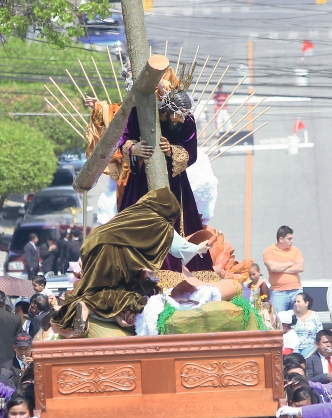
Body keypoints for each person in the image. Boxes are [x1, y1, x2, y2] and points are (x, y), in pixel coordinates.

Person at [51, 188, 209, 335]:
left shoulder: (132, 212)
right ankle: (87, 307)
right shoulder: (159, 223)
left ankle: (62, 309)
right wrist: (199, 248)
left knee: (90, 288)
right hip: (112, 254)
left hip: (92, 243)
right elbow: (180, 248)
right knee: (124, 295)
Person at [110, 71, 214, 273]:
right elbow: (124, 140)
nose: (183, 120)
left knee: (178, 223)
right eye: (179, 115)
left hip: (175, 183)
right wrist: (134, 149)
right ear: (168, 110)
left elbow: (191, 152)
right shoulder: (140, 113)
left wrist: (171, 150)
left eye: (185, 115)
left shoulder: (188, 121)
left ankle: (185, 271)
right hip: (141, 179)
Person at [262, 226, 304, 313]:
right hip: (278, 293)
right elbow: (273, 267)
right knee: (279, 321)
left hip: (296, 291)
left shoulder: (295, 250)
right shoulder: (269, 251)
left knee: (297, 320)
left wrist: (280, 268)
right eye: (289, 239)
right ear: (281, 239)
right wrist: (289, 263)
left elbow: (300, 267)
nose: (291, 241)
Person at [291, 292, 321, 358]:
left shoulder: (315, 315)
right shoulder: (290, 315)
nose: (296, 304)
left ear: (306, 303)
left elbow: (319, 333)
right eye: (295, 301)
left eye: (298, 301)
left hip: (310, 348)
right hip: (293, 348)